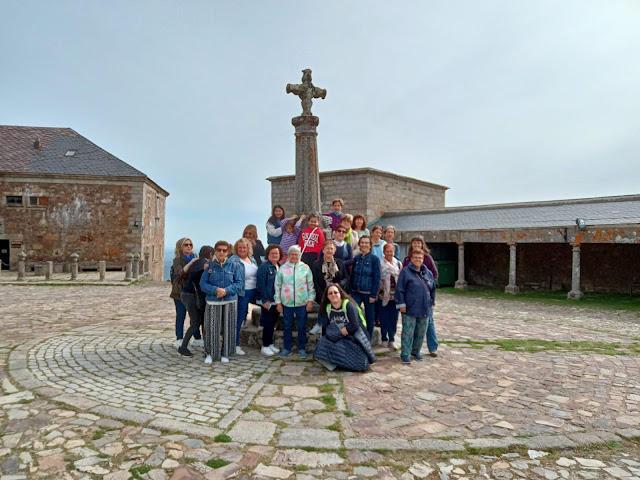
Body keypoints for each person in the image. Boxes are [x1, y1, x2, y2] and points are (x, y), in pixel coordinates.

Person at [313, 284, 376, 372]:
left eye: (335, 292)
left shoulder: (348, 305)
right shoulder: (328, 308)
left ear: (340, 293)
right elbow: (326, 327)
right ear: (327, 296)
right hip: (340, 334)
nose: (333, 295)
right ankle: (333, 363)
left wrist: (339, 333)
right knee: (323, 342)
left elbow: (354, 325)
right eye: (330, 293)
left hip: (355, 334)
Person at [199, 241, 243, 364]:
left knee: (229, 328)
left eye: (224, 250)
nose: (222, 252)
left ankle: (225, 353)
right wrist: (215, 290)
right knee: (211, 328)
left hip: (230, 301)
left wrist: (226, 291)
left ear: (228, 252)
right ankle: (210, 353)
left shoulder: (234, 266)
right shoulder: (210, 266)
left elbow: (239, 283)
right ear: (215, 252)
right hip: (213, 301)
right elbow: (203, 284)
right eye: (219, 250)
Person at [395, 249, 436, 364]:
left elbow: (432, 289)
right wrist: (401, 304)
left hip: (424, 307)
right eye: (415, 257)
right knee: (408, 332)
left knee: (421, 332)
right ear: (411, 259)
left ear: (423, 259)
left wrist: (431, 303)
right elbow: (400, 289)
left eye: (420, 258)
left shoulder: (428, 273)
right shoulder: (405, 272)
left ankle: (415, 351)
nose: (418, 260)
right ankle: (405, 353)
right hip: (409, 307)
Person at [274, 245, 315, 359]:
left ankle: (302, 348)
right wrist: (278, 302)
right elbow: (277, 286)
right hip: (287, 303)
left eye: (296, 254)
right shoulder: (282, 268)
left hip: (302, 302)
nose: (294, 256)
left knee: (302, 327)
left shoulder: (306, 268)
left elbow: (311, 286)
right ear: (289, 255)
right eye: (292, 254)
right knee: (287, 326)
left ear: (300, 255)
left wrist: (310, 301)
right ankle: (287, 348)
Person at [402, 236, 439, 357]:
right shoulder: (407, 260)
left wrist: (426, 285)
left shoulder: (427, 258)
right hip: (411, 298)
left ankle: (432, 347)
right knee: (410, 327)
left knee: (428, 323)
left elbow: (434, 273)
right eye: (414, 243)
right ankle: (409, 351)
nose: (416, 244)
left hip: (424, 298)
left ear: (422, 244)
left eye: (419, 243)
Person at [178, 245, 215, 357]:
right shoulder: (204, 263)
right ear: (210, 254)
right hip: (192, 295)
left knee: (201, 321)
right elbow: (195, 276)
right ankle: (183, 347)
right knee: (196, 322)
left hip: (187, 294)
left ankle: (207, 348)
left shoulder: (197, 262)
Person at [310, 240, 350, 334]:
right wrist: (322, 293)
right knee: (324, 302)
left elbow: (346, 277)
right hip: (322, 292)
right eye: (327, 248)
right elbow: (315, 281)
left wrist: (338, 285)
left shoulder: (339, 263)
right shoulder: (316, 264)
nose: (329, 250)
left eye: (331, 248)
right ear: (323, 250)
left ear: (334, 250)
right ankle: (319, 324)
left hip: (337, 291)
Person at [170, 237, 202, 349]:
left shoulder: (196, 258)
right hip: (180, 292)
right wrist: (191, 264)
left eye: (190, 245)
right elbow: (179, 273)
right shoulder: (177, 260)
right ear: (180, 247)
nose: (189, 246)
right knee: (181, 315)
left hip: (193, 291)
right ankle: (179, 338)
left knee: (194, 316)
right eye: (186, 245)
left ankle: (197, 338)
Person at [228, 238, 258, 356]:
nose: (242, 249)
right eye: (240, 247)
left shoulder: (252, 259)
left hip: (254, 291)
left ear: (248, 248)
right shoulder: (233, 260)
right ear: (236, 248)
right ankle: (234, 345)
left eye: (244, 247)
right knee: (238, 319)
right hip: (242, 293)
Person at [349, 236, 381, 339]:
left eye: (366, 243)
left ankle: (368, 338)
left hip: (368, 293)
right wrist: (350, 290)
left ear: (370, 245)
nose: (364, 245)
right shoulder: (357, 258)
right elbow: (352, 275)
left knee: (369, 317)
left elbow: (377, 277)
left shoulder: (374, 259)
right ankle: (356, 336)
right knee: (354, 315)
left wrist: (373, 294)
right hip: (355, 292)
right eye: (362, 242)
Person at [256, 244, 283, 356]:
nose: (274, 255)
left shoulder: (280, 266)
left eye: (276, 253)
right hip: (267, 300)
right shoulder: (264, 267)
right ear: (268, 255)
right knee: (268, 323)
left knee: (273, 323)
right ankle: (265, 345)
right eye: (272, 253)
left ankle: (270, 343)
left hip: (276, 300)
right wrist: (265, 300)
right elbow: (261, 285)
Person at [378, 243, 403, 350]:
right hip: (382, 295)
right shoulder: (379, 263)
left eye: (391, 251)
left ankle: (391, 339)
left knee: (394, 318)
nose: (389, 253)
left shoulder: (398, 264)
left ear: (394, 252)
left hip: (395, 296)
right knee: (384, 318)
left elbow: (401, 279)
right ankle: (384, 338)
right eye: (387, 251)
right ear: (383, 252)